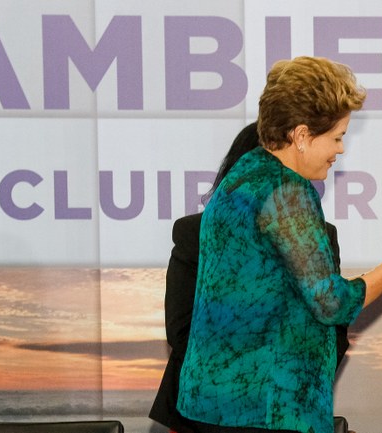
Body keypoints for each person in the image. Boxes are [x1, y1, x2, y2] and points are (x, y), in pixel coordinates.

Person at [177, 56, 382, 433]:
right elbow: (330, 303)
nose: (341, 149)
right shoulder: (287, 191)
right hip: (265, 409)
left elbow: (284, 289)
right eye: (337, 137)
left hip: (219, 405)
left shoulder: (245, 174)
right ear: (300, 135)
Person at [149, 122, 350, 433]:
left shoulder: (320, 236)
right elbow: (182, 331)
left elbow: (332, 330)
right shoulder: (196, 232)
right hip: (205, 415)